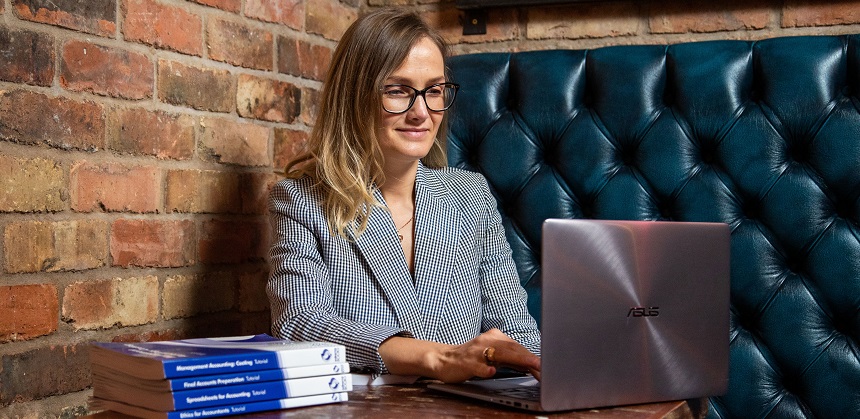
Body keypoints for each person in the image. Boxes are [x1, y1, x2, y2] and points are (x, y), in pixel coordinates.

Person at [267, 8, 541, 383]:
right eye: (397, 90)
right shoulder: (300, 200)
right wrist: (436, 358)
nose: (421, 112)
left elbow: (518, 330)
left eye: (434, 91)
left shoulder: (471, 196)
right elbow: (299, 324)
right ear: (354, 97)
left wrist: (550, 375)